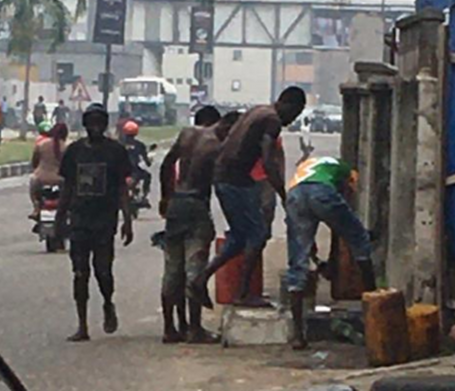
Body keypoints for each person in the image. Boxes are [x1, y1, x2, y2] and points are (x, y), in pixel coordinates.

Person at [192, 87, 306, 308]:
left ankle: (201, 279)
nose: (292, 120)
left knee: (240, 237)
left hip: (227, 177)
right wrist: (283, 194)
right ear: (287, 104)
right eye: (295, 113)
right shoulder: (272, 120)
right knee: (258, 233)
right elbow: (267, 158)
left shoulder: (258, 110)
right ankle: (244, 293)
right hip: (235, 180)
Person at [158, 111, 241, 344]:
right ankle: (194, 329)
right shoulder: (219, 147)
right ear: (227, 127)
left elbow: (166, 164)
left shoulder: (187, 133)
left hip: (176, 204)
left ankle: (169, 328)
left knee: (172, 268)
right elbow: (224, 184)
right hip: (196, 206)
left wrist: (166, 196)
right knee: (195, 268)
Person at [56, 103, 134, 342]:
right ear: (85, 124)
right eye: (91, 123)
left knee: (103, 271)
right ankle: (82, 324)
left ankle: (108, 302)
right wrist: (60, 217)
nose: (95, 127)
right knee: (80, 273)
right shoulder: (74, 152)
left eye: (100, 123)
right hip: (79, 218)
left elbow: (122, 188)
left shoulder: (116, 151)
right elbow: (67, 186)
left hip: (105, 219)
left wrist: (127, 219)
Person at [286, 157, 376, 349]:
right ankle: (374, 306)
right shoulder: (346, 169)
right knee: (359, 238)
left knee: (297, 262)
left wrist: (317, 261)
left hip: (294, 194)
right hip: (322, 193)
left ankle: (298, 335)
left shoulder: (308, 165)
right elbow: (344, 198)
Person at [29, 123, 68, 220]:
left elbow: (34, 162)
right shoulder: (66, 148)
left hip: (40, 179)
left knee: (33, 186)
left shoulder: (41, 145)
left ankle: (36, 208)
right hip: (61, 180)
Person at [121, 121, 152, 204]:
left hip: (121, 170)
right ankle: (144, 196)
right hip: (134, 170)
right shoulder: (139, 145)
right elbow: (146, 161)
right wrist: (149, 162)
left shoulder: (119, 144)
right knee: (148, 176)